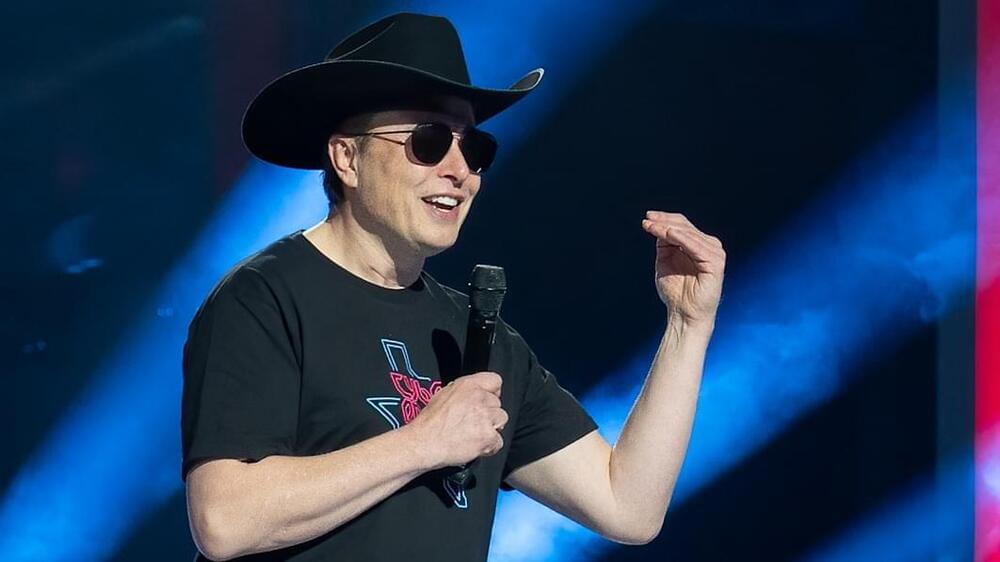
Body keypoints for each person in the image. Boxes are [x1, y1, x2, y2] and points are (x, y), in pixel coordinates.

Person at [181, 12, 725, 562]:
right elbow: (225, 521)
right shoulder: (264, 297)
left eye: (474, 148)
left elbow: (628, 507)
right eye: (429, 141)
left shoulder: (483, 340)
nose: (459, 170)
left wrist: (688, 325)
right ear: (347, 158)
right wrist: (424, 442)